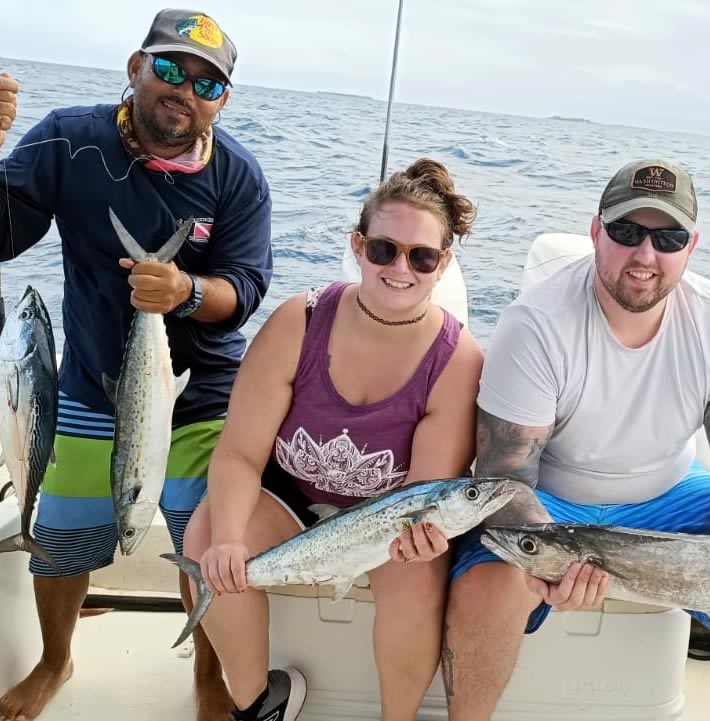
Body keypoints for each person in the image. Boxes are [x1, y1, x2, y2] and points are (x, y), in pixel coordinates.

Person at [440, 159, 710, 721]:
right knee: (487, 588)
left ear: (690, 246)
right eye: (626, 232)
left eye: (667, 238)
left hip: (672, 491)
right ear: (596, 232)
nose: (645, 255)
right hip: (552, 501)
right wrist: (558, 559)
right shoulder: (535, 324)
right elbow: (505, 478)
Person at [0, 9, 272, 721]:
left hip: (205, 393)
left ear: (222, 99)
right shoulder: (70, 139)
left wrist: (185, 291)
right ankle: (55, 659)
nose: (183, 88)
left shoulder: (238, 176)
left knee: (211, 540)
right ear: (135, 66)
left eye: (205, 82)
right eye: (168, 68)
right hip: (94, 383)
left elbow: (244, 290)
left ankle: (209, 677)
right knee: (60, 536)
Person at [181, 157, 484, 721]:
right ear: (357, 244)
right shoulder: (301, 319)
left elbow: (421, 495)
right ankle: (257, 703)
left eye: (421, 256)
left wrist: (421, 537)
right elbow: (241, 452)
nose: (401, 268)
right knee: (205, 538)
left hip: (385, 517)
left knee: (418, 579)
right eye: (383, 249)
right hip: (290, 495)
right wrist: (227, 538)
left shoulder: (458, 359)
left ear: (442, 264)